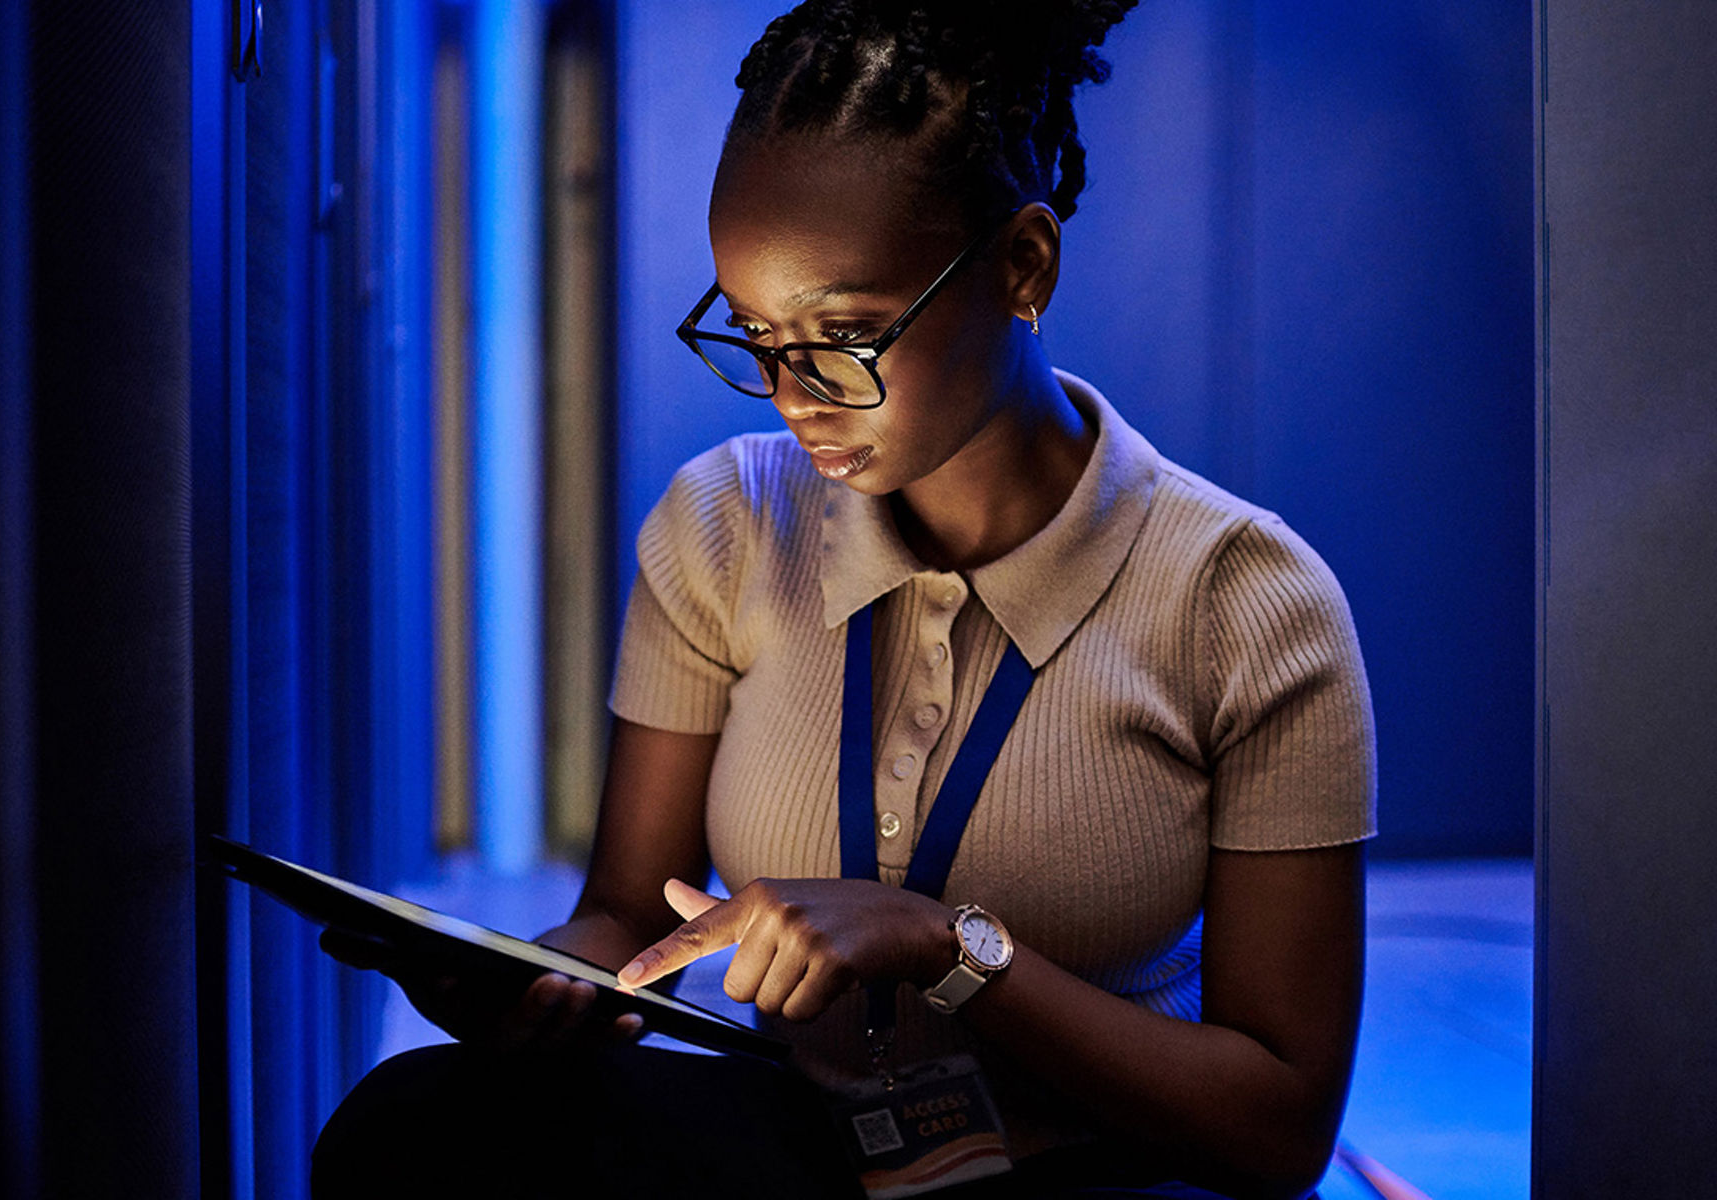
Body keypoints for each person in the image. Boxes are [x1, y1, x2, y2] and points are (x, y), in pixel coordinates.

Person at [314, 3, 1374, 1197]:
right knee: (409, 1125)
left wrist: (948, 950)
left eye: (845, 334)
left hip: (1090, 1164)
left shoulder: (1246, 600)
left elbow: (1276, 1130)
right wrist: (532, 978)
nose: (788, 395)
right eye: (754, 333)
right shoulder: (723, 521)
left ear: (1022, 267)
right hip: (813, 1137)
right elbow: (621, 916)